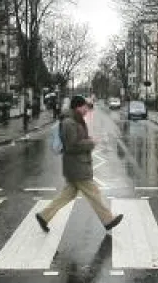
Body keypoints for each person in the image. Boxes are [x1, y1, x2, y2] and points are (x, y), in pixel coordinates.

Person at [36, 95, 123, 233]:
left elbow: (77, 139)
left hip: (76, 165)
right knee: (94, 193)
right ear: (78, 107)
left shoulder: (75, 120)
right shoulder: (69, 122)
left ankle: (44, 216)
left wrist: (88, 139)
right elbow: (71, 145)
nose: (87, 110)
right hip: (77, 166)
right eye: (85, 107)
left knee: (68, 194)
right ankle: (108, 220)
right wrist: (90, 143)